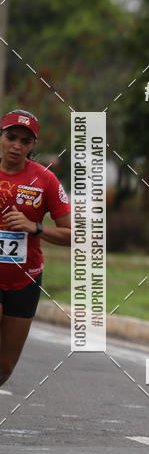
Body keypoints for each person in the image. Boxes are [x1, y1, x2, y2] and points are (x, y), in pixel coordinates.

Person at [0, 110, 71, 387]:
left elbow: (74, 235)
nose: (16, 146)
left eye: (25, 141)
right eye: (11, 137)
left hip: (25, 279)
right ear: (1, 137)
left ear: (33, 145)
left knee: (4, 367)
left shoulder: (45, 180)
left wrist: (34, 227)